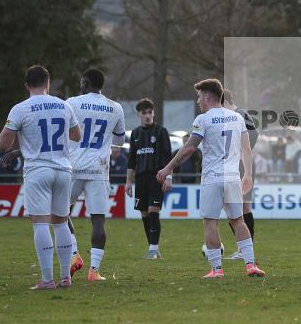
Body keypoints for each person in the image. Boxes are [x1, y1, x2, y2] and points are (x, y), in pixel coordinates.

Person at [156, 79, 265, 278]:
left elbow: (189, 148)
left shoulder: (203, 120)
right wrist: (247, 174)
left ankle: (216, 269)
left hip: (212, 178)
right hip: (233, 177)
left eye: (199, 96)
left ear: (207, 96)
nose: (198, 101)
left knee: (210, 223)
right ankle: (251, 265)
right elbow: (246, 149)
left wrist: (167, 168)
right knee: (238, 220)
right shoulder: (237, 118)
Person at [0, 65, 81, 289]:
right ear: (48, 83)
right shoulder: (64, 105)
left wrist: (22, 139)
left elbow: (3, 144)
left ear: (26, 85)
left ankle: (46, 279)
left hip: (37, 170)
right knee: (61, 223)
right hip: (63, 170)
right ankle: (65, 277)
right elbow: (76, 135)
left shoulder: (20, 109)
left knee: (40, 224)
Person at [65, 68, 126, 282]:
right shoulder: (115, 107)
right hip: (100, 169)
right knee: (98, 221)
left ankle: (74, 255)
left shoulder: (72, 102)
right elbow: (120, 140)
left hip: (73, 167)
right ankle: (94, 271)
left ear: (84, 82)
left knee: (62, 214)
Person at [126, 98, 172, 259]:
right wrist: (128, 182)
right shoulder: (135, 134)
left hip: (157, 178)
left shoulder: (161, 132)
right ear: (139, 114)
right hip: (140, 179)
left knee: (153, 212)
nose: (147, 115)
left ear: (154, 113)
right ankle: (153, 248)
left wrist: (169, 177)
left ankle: (153, 248)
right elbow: (131, 159)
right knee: (144, 214)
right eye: (144, 113)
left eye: (149, 112)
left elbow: (168, 157)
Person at [221, 89, 258, 254]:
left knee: (243, 208)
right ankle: (243, 248)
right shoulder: (229, 118)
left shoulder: (240, 114)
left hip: (243, 166)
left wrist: (243, 151)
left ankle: (246, 248)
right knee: (233, 208)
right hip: (233, 166)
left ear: (225, 102)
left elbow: (254, 134)